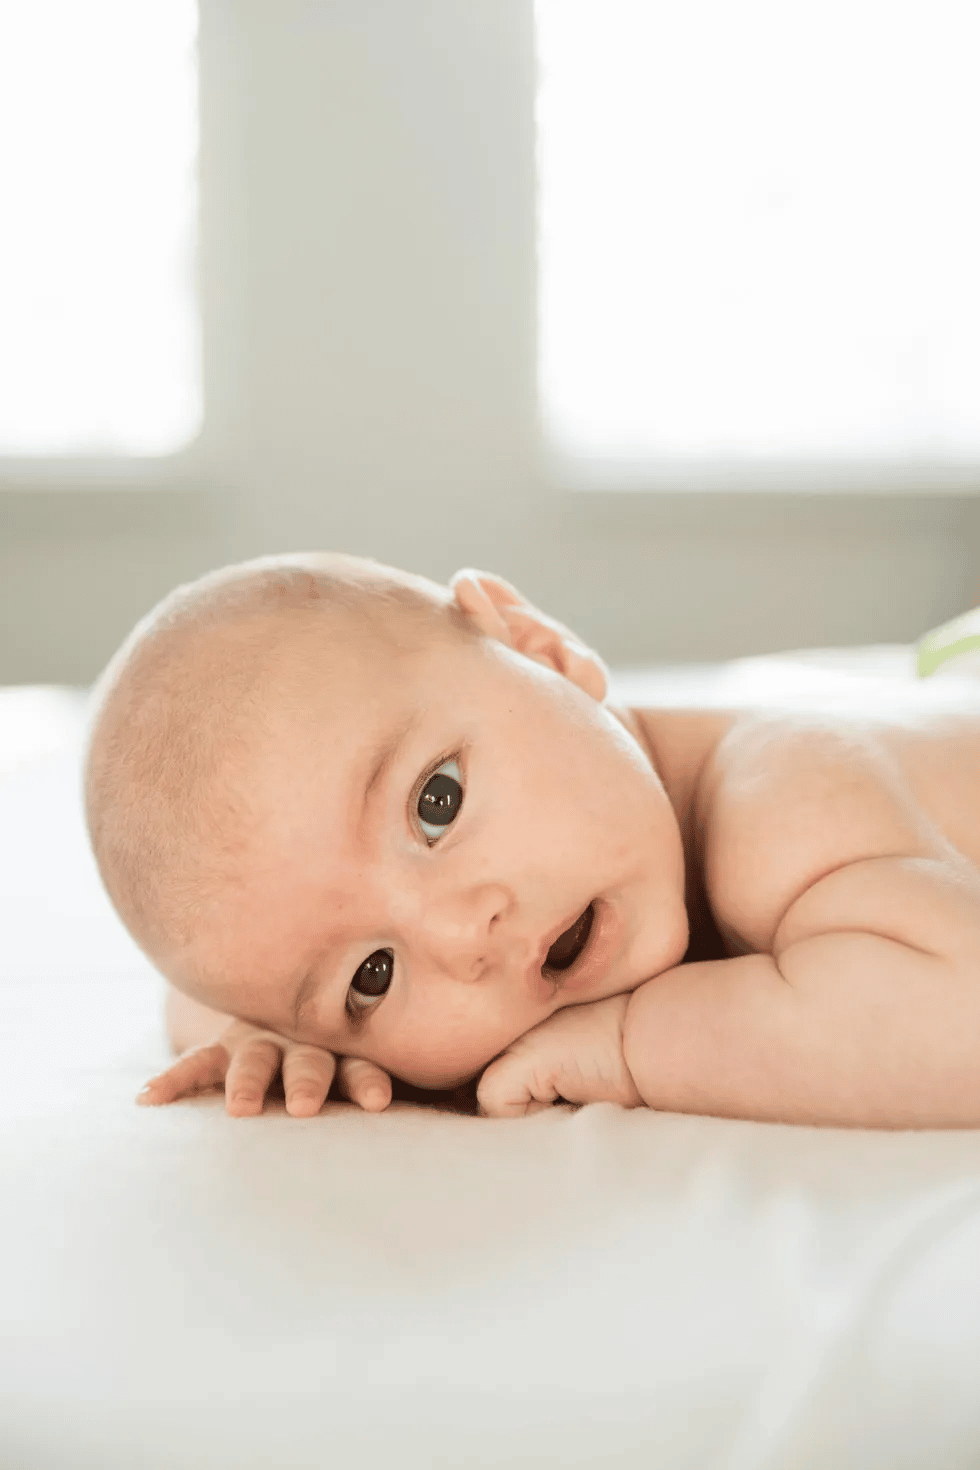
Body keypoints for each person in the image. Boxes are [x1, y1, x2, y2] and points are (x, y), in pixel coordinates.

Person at [84, 552, 980, 1126]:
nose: (457, 934)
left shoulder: (785, 798)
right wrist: (261, 1035)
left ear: (539, 650)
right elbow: (220, 973)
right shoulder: (575, 869)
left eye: (436, 803)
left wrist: (636, 1046)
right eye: (372, 974)